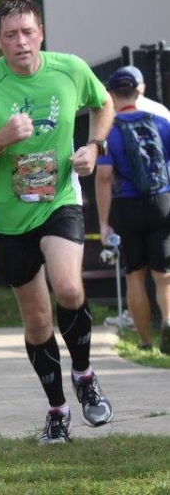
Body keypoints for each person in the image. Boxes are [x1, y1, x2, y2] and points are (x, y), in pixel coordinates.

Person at [0, 0, 115, 446]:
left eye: (28, 32)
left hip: (60, 199)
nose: (21, 42)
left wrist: (94, 146)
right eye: (10, 35)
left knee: (69, 287)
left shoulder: (70, 69)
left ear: (41, 33)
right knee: (38, 320)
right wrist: (2, 138)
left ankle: (84, 374)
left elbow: (104, 105)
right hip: (7, 216)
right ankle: (57, 410)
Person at [95, 66, 170, 354]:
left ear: (111, 94)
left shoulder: (110, 131)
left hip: (128, 206)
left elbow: (103, 178)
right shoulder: (161, 123)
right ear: (139, 90)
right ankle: (167, 319)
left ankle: (144, 341)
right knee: (163, 275)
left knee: (135, 275)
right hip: (162, 202)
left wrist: (104, 223)